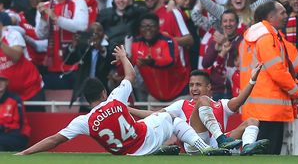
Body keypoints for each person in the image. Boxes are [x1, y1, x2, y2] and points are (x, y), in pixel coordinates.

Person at [17, 45, 230, 156]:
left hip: (129, 154)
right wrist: (123, 57)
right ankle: (205, 148)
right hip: (146, 139)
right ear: (103, 92)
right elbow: (131, 76)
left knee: (146, 122)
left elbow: (54, 139)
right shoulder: (115, 100)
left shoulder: (83, 121)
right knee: (172, 119)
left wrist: (26, 152)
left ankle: (160, 150)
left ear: (87, 99)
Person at [131, 65, 269, 155]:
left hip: (215, 146)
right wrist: (127, 109)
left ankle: (247, 147)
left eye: (198, 85)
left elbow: (239, 101)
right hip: (195, 146)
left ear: (209, 87)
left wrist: (252, 80)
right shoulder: (182, 104)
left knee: (252, 120)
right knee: (203, 100)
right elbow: (155, 115)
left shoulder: (221, 104)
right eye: (191, 85)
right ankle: (222, 139)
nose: (194, 89)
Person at [239, 1, 298, 154]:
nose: (287, 16)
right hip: (269, 110)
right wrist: (296, 92)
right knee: (269, 155)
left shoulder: (252, 37)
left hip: (256, 108)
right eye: (283, 12)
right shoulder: (267, 38)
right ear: (271, 16)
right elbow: (277, 71)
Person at [35, 0, 89, 89]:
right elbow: (40, 35)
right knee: (54, 104)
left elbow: (81, 26)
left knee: (73, 105)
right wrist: (44, 19)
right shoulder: (44, 6)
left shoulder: (78, 3)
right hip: (51, 65)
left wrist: (56, 18)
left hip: (74, 64)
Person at [0, 74, 31, 151]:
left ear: (7, 82)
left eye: (2, 80)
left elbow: (19, 125)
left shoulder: (15, 99)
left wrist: (3, 127)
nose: (0, 83)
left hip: (16, 134)